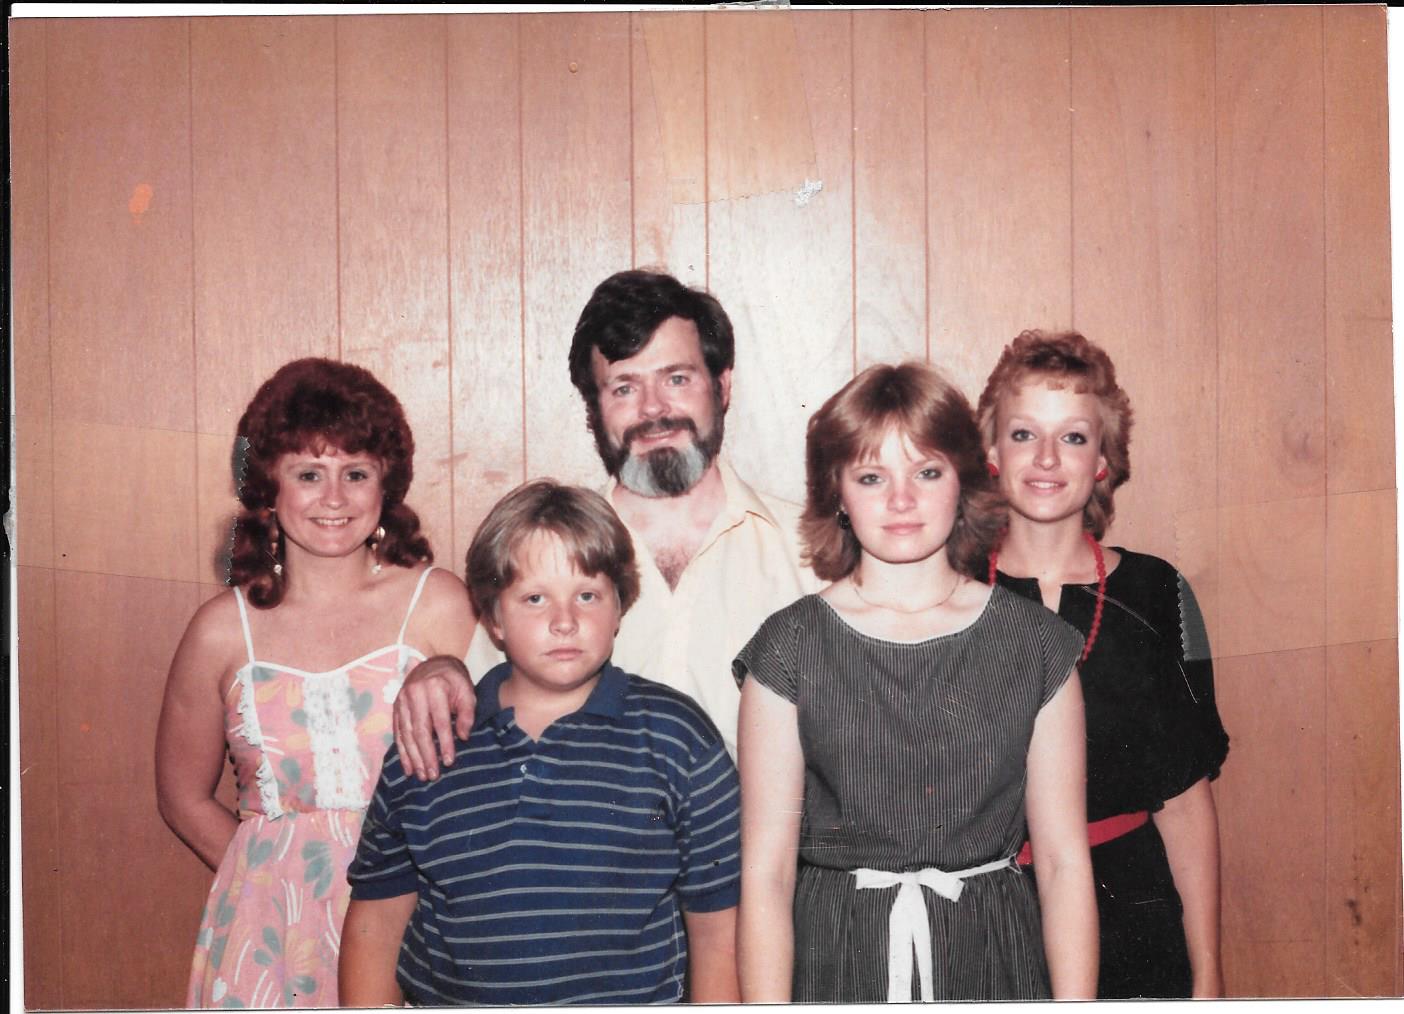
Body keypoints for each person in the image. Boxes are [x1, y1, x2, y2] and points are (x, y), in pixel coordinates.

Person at [735, 361, 1098, 1002]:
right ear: (837, 492)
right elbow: (766, 876)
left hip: (992, 957)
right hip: (837, 959)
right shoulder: (788, 647)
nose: (900, 500)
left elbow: (1064, 864)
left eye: (926, 472)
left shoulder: (1037, 646)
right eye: (872, 477)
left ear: (964, 481)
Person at [392, 269, 818, 774]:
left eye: (677, 379)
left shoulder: (814, 555)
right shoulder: (537, 556)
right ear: (593, 411)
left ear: (721, 387)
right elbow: (485, 702)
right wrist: (444, 670)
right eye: (624, 388)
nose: (653, 408)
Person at [339, 480, 741, 1006]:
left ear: (620, 608)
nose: (565, 621)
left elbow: (718, 933)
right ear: (493, 617)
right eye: (534, 598)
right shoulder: (431, 739)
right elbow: (375, 923)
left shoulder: (675, 737)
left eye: (588, 596)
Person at [154, 358, 475, 1008]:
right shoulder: (222, 631)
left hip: (419, 925)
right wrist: (270, 880)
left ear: (386, 483)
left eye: (355, 473)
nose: (334, 498)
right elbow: (182, 796)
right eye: (309, 474)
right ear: (270, 486)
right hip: (271, 940)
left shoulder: (438, 605)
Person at [976, 329, 1230, 999]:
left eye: (1074, 437)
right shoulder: (948, 590)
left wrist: (1208, 974)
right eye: (1024, 434)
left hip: (1133, 918)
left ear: (1104, 461)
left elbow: (1185, 804)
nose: (1047, 458)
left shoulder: (1157, 592)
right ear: (992, 451)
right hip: (985, 920)